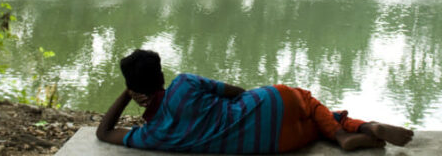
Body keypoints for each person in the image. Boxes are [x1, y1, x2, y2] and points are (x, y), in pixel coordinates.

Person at [97, 49, 414, 153]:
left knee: (315, 126)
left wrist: (126, 92)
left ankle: (351, 132)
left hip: (276, 142)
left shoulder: (154, 135)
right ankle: (353, 130)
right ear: (161, 76)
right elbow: (235, 91)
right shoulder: (183, 84)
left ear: (134, 90)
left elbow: (104, 132)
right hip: (268, 104)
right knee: (308, 103)